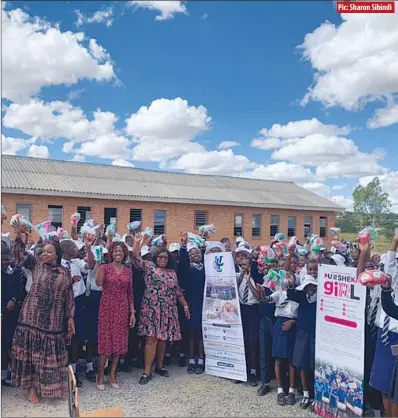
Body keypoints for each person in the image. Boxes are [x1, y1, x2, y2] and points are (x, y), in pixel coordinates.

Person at [11, 241, 75, 404]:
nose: (44, 254)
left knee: (46, 355)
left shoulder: (65, 272)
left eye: (48, 252)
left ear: (57, 255)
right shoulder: (37, 265)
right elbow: (18, 257)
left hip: (53, 320)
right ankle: (32, 388)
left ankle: (45, 386)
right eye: (42, 252)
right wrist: (19, 237)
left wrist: (70, 317)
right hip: (32, 317)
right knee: (32, 354)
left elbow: (69, 296)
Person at [132, 233, 190, 385]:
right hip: (152, 308)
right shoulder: (149, 267)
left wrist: (184, 305)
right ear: (155, 258)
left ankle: (160, 366)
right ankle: (147, 371)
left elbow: (177, 291)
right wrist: (138, 242)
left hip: (168, 309)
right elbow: (136, 258)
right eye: (160, 257)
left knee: (163, 339)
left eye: (165, 257)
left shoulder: (172, 273)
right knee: (151, 338)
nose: (162, 260)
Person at [95, 242, 135, 390]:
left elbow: (130, 292)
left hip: (122, 309)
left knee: (118, 342)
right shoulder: (105, 267)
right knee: (105, 342)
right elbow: (99, 283)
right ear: (111, 253)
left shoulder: (128, 270)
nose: (118, 253)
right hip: (107, 307)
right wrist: (99, 265)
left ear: (124, 253)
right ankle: (100, 374)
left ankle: (112, 374)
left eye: (121, 251)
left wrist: (132, 312)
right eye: (115, 251)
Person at [369, 234, 398, 418]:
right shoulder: (391, 280)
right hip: (384, 333)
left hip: (396, 335)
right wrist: (394, 240)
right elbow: (389, 308)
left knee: (394, 388)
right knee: (383, 383)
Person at [60, 238, 95, 387]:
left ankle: (74, 371)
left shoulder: (76, 263)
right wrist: (69, 281)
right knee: (65, 336)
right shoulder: (58, 265)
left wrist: (88, 248)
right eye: (74, 247)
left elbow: (90, 265)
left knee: (77, 336)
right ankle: (65, 370)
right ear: (67, 249)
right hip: (63, 303)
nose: (77, 250)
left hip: (79, 302)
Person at [287, 274, 318, 411]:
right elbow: (290, 294)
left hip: (316, 335)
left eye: (312, 286)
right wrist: (291, 284)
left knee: (314, 366)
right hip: (301, 334)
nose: (309, 289)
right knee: (302, 364)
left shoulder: (321, 299)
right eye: (307, 287)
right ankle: (306, 394)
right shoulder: (301, 297)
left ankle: (316, 396)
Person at [179, 236, 206, 374]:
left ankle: (200, 360)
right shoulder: (187, 268)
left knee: (201, 333)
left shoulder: (206, 269)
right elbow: (182, 262)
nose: (196, 255)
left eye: (197, 253)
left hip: (204, 303)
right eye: (192, 253)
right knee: (191, 333)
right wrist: (183, 247)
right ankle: (191, 360)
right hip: (190, 303)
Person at [235, 247, 261, 386]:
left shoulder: (256, 277)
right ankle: (241, 370)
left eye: (246, 264)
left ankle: (253, 371)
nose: (244, 267)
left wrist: (249, 280)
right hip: (242, 310)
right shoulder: (238, 277)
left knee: (252, 342)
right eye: (242, 265)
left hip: (253, 310)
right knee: (242, 342)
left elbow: (257, 296)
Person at [1, 247, 27, 386]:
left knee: (8, 344)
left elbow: (20, 289)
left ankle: (7, 374)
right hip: (1, 312)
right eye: (2, 260)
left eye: (7, 259)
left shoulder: (16, 273)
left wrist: (14, 299)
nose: (5, 262)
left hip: (11, 314)